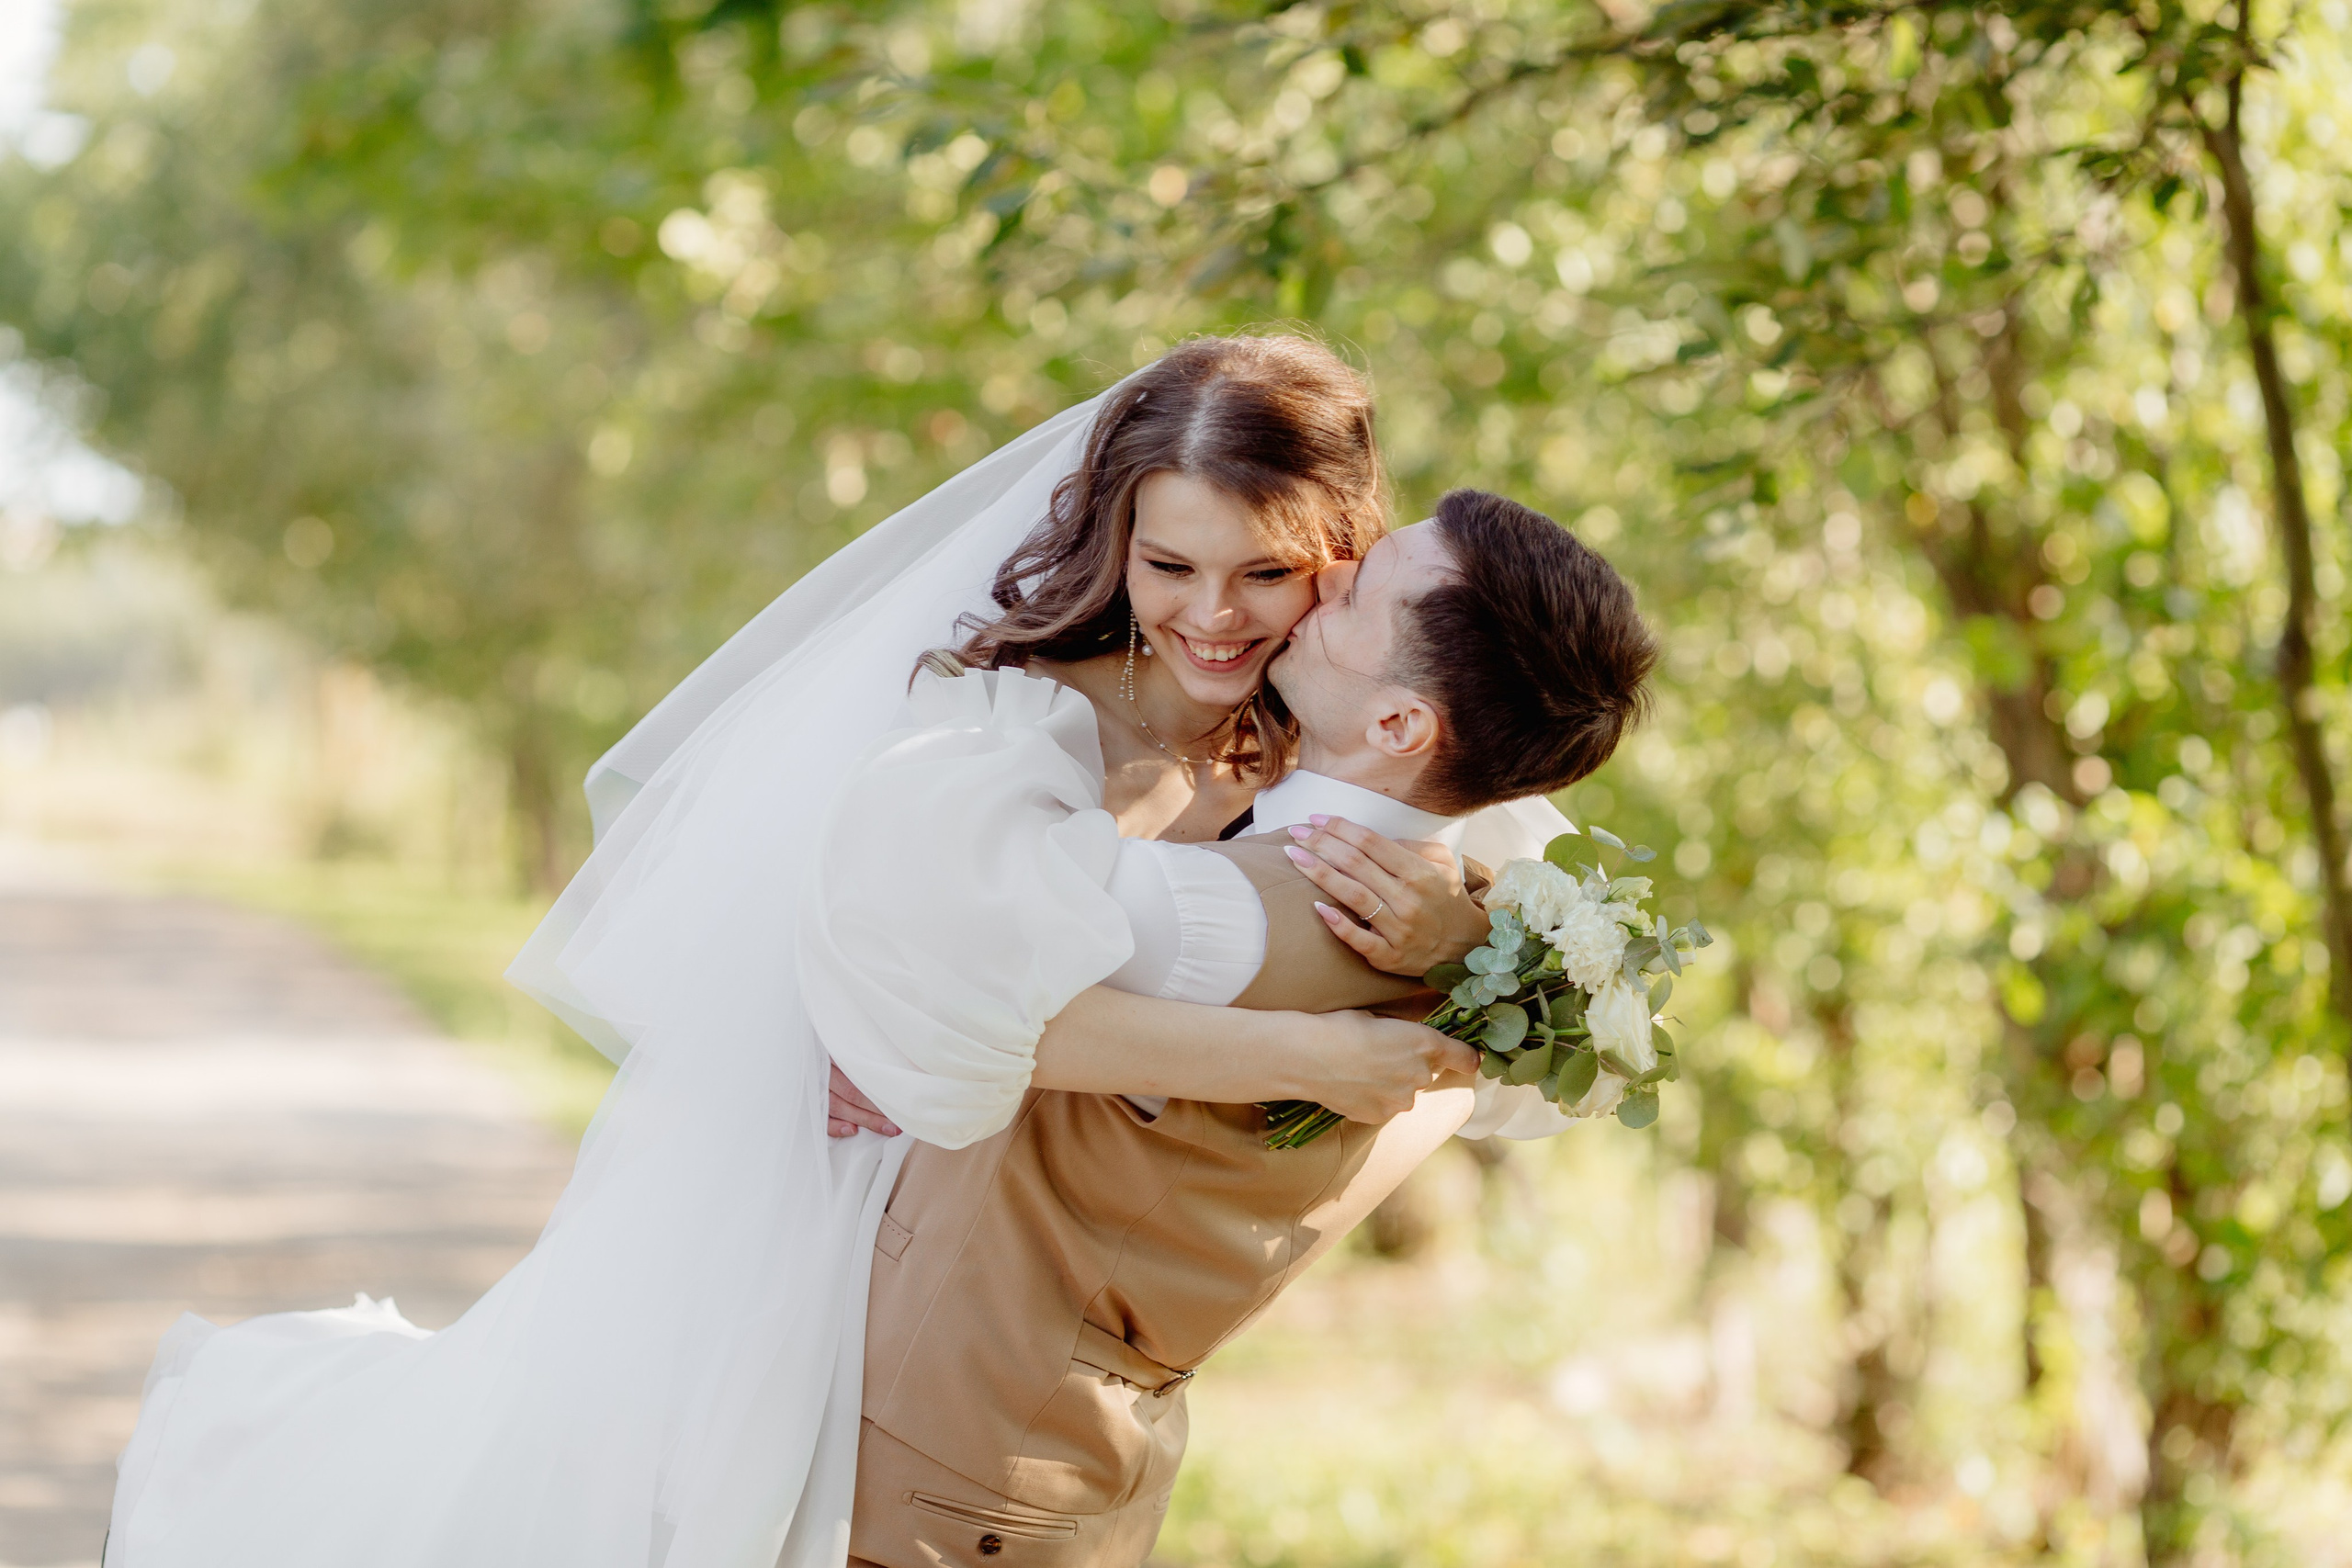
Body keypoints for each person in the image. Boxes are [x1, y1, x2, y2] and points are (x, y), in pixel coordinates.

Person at [100, 334, 1476, 1568]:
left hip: (1079, 1288)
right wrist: (1316, 1054)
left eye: (1266, 575)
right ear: (1115, 537)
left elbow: (1543, 974)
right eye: (1170, 565)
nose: (1215, 616)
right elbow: (986, 1017)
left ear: (1341, 562)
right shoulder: (1007, 728)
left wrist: (1458, 926)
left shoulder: (1342, 726)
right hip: (841, 1205)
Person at [808, 488, 1658, 1568]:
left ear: (1398, 725)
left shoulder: (1218, 917)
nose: (1328, 575)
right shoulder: (1491, 938)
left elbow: (931, 943)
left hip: (942, 1461)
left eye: (1361, 591)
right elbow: (1605, 1058)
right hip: (1051, 1475)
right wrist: (1462, 940)